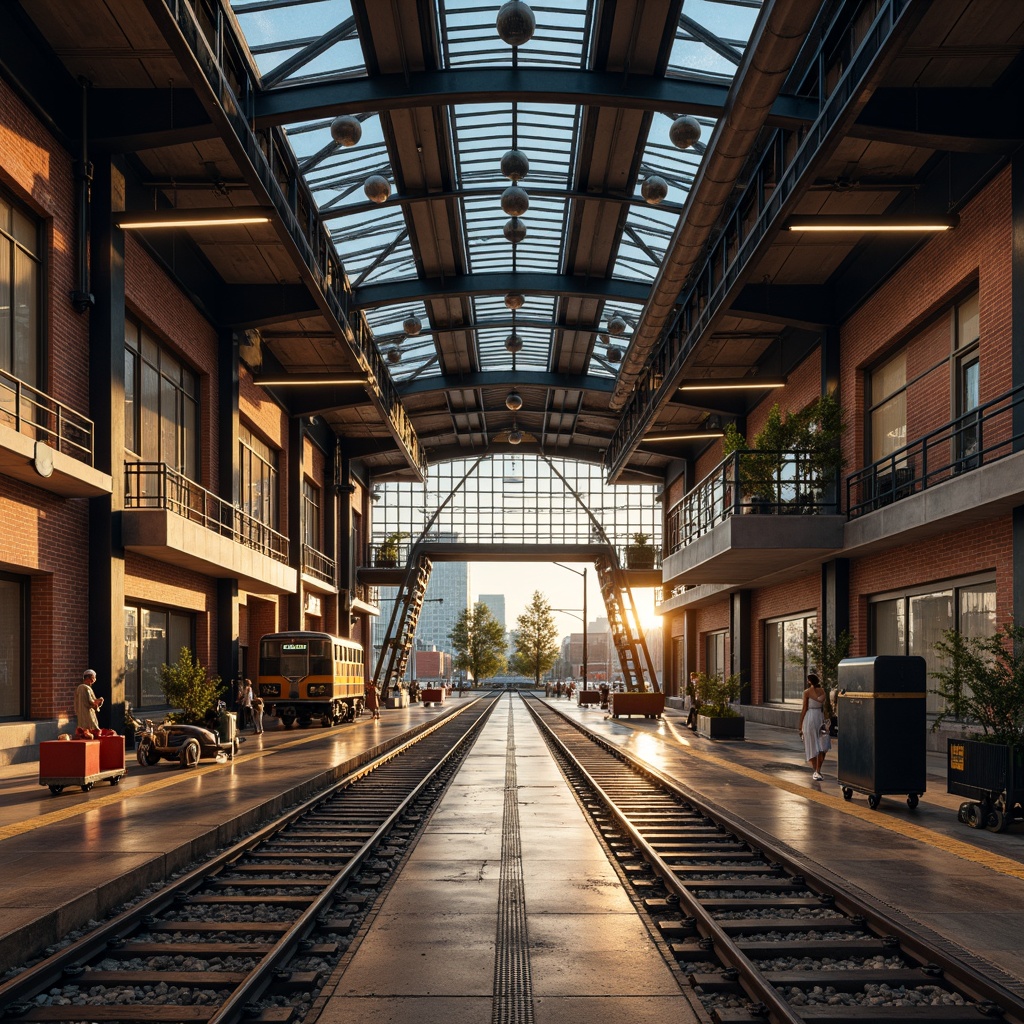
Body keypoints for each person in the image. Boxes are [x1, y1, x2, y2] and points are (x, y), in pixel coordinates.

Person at [798, 672, 832, 780]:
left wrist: (800, 725)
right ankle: (818, 770)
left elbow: (804, 709)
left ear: (809, 681)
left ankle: (815, 772)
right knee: (822, 744)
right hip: (820, 717)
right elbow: (825, 707)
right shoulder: (823, 691)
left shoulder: (807, 692)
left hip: (810, 717)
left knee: (811, 744)